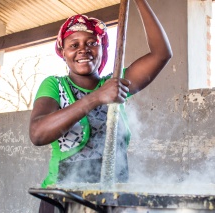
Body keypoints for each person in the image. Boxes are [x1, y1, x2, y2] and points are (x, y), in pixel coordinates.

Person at [29, 0, 172, 212]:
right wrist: (96, 97)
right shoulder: (54, 85)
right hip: (64, 200)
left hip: (113, 200)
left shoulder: (116, 83)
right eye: (73, 45)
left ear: (102, 48)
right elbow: (38, 134)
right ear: (63, 52)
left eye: (91, 43)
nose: (83, 49)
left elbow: (161, 54)